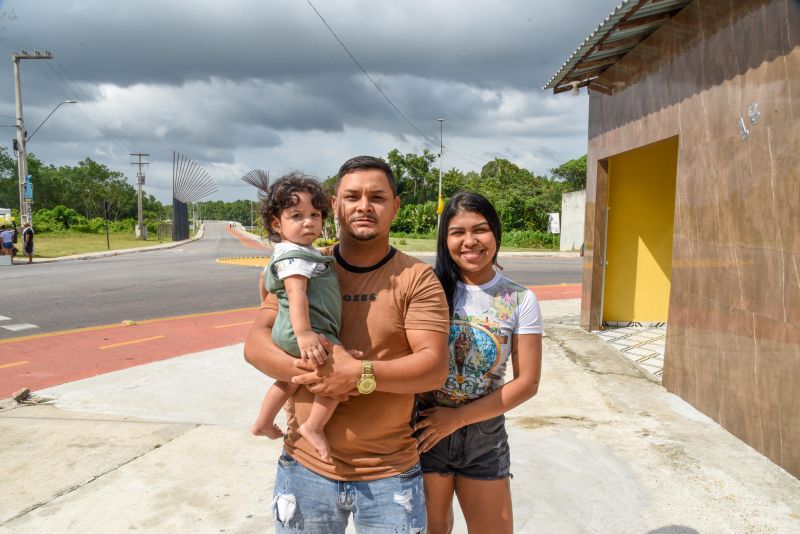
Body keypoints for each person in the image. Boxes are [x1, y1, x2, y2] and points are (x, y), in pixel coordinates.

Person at [244, 155, 449, 533]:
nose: (364, 206)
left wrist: (359, 374)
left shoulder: (416, 278)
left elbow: (434, 368)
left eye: (378, 197)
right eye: (352, 196)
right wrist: (312, 373)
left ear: (396, 206)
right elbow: (255, 344)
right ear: (335, 205)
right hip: (305, 468)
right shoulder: (304, 267)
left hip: (390, 475)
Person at [414, 192, 543, 534]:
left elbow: (527, 382)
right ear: (445, 239)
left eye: (480, 229)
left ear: (496, 234)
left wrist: (456, 419)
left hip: (484, 437)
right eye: (457, 232)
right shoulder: (427, 288)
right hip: (423, 432)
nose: (469, 241)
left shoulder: (519, 299)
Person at [250, 173, 343, 463]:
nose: (308, 222)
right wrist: (304, 335)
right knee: (339, 375)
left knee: (288, 380)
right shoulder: (295, 255)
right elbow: (297, 293)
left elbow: (264, 281)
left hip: (291, 328)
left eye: (315, 214)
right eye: (297, 215)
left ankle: (263, 422)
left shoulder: (297, 252)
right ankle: (313, 426)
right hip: (303, 330)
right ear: (277, 224)